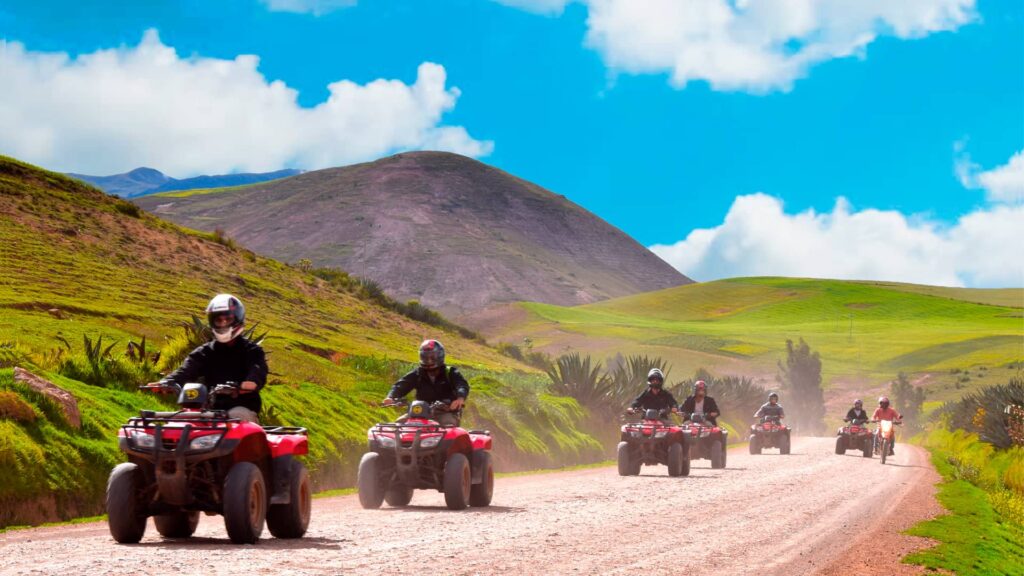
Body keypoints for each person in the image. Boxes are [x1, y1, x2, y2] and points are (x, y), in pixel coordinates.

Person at [152, 294, 267, 423]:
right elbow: (186, 369)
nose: (223, 323)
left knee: (237, 418)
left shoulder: (252, 350)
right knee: (179, 421)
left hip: (241, 410)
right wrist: (167, 382)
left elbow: (257, 368)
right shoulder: (206, 351)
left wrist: (251, 382)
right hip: (209, 411)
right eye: (218, 320)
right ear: (212, 322)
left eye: (227, 319)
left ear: (238, 319)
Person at [383, 340, 469, 426]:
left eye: (432, 357)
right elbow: (400, 385)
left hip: (445, 412)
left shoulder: (450, 372)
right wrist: (391, 397)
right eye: (425, 357)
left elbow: (461, 385)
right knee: (399, 424)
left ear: (440, 356)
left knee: (448, 425)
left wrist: (460, 398)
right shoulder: (417, 373)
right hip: (420, 412)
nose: (429, 361)